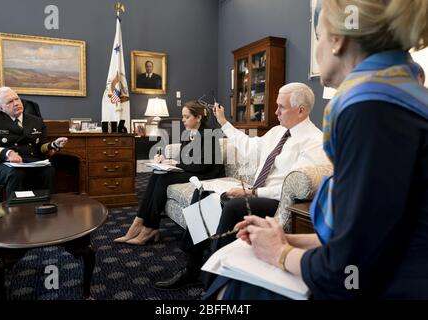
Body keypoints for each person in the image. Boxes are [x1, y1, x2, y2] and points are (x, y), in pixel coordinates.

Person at [205, 0, 428, 299]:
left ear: (337, 40)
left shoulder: (371, 110)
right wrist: (288, 240)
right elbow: (367, 235)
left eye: (318, 37)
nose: (318, 48)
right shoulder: (398, 95)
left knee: (232, 291)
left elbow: (348, 270)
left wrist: (279, 253)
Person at [154, 83, 330, 290]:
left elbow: (291, 186)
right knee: (203, 193)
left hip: (276, 201)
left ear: (300, 110)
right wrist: (224, 122)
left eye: (281, 107)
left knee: (232, 206)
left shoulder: (314, 142)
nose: (275, 112)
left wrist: (253, 192)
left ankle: (214, 281)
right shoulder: (277, 132)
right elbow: (248, 147)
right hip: (256, 192)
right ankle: (192, 267)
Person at [114, 100, 225, 245]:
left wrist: (176, 164)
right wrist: (165, 160)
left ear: (198, 118)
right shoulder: (189, 134)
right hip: (195, 170)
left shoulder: (209, 134)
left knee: (164, 179)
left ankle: (150, 228)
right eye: (182, 116)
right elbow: (185, 158)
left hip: (207, 174)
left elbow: (203, 165)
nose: (183, 120)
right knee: (158, 174)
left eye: (186, 117)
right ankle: (139, 222)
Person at [0, 87, 68, 197]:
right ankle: (17, 210)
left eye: (17, 99)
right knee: (17, 174)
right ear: (1, 108)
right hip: (3, 165)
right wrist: (7, 153)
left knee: (49, 171)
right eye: (10, 102)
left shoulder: (36, 120)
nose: (16, 103)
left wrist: (53, 145)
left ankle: (47, 206)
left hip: (32, 162)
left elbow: (41, 147)